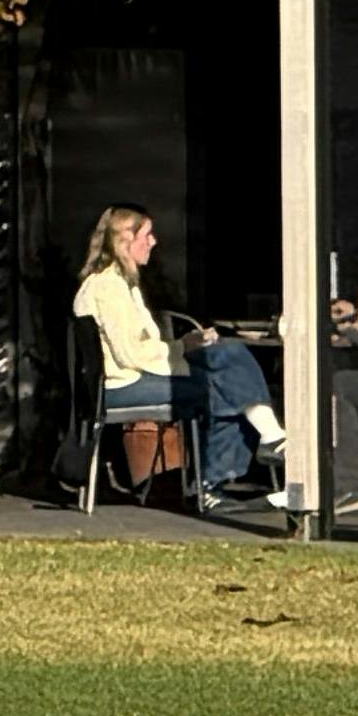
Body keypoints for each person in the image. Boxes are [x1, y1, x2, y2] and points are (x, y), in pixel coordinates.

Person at [77, 203, 285, 504]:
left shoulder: (120, 283)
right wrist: (179, 353)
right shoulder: (108, 287)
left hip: (129, 376)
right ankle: (227, 471)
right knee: (221, 385)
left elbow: (139, 349)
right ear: (125, 239)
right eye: (147, 235)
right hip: (121, 385)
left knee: (226, 355)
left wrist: (183, 346)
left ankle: (258, 446)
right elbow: (131, 355)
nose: (154, 242)